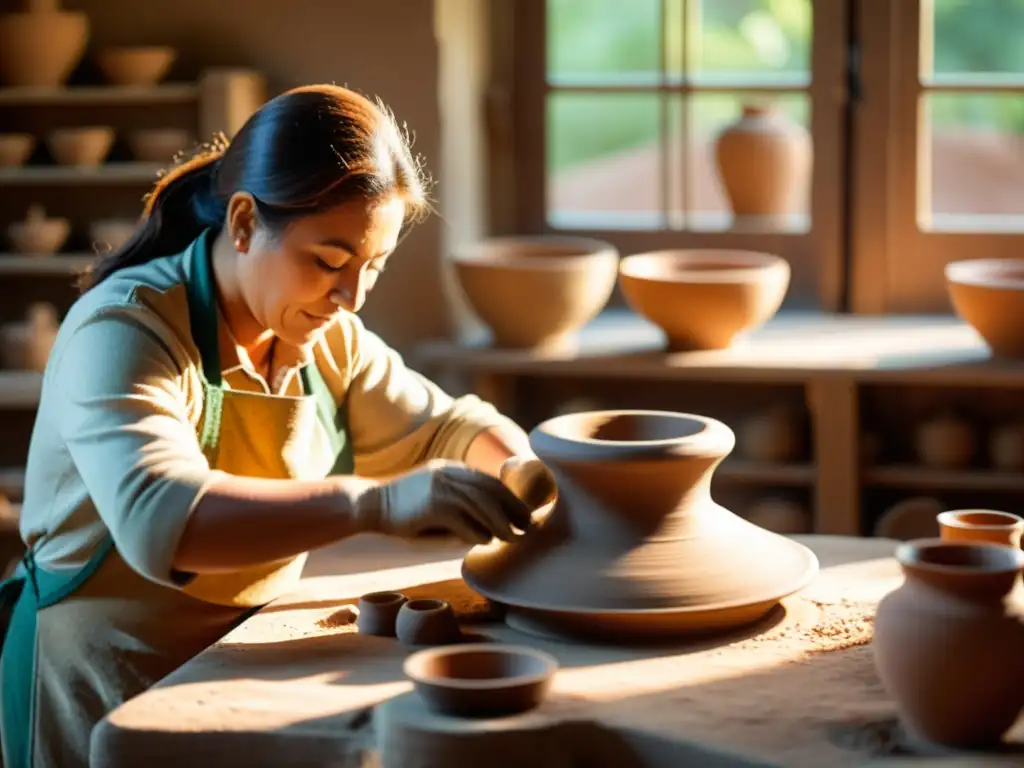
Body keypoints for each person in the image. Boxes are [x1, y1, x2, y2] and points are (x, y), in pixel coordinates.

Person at [0, 84, 556, 768]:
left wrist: (523, 473)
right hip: (101, 682)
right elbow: (161, 516)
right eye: (329, 262)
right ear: (242, 223)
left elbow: (449, 426)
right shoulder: (125, 331)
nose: (351, 297)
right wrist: (376, 503)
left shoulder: (327, 336)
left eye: (372, 266)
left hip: (234, 667)